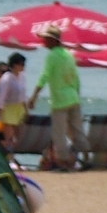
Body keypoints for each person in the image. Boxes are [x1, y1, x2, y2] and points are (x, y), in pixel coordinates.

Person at [36, 31, 85, 170]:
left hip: (60, 100)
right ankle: (78, 156)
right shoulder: (69, 55)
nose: (43, 42)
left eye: (45, 39)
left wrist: (34, 95)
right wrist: (76, 95)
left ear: (52, 40)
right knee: (76, 130)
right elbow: (75, 78)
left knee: (59, 133)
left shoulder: (52, 56)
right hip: (73, 97)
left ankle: (63, 161)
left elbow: (44, 76)